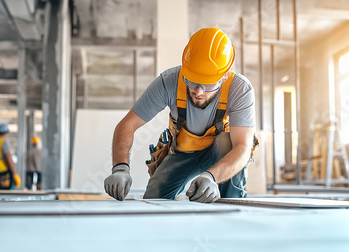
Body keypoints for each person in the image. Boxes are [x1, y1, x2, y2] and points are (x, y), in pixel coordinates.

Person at [104, 27, 257, 203]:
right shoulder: (168, 82)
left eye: (207, 84)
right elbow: (127, 125)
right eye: (192, 80)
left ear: (223, 76)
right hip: (183, 153)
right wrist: (120, 168)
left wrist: (211, 177)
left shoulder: (240, 89)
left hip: (221, 154)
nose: (198, 91)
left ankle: (232, 207)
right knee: (154, 200)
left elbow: (242, 147)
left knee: (226, 142)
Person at [0, 124, 21, 189]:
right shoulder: (3, 143)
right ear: (6, 133)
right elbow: (9, 158)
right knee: (4, 193)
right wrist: (14, 174)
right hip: (3, 173)